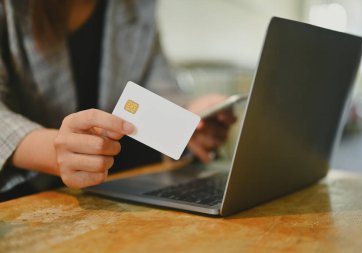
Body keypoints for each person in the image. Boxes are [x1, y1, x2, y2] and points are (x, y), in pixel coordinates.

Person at [0, 0, 236, 200]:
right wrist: (52, 150)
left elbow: (158, 84)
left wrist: (189, 118)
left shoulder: (136, 6)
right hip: (25, 193)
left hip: (111, 186)